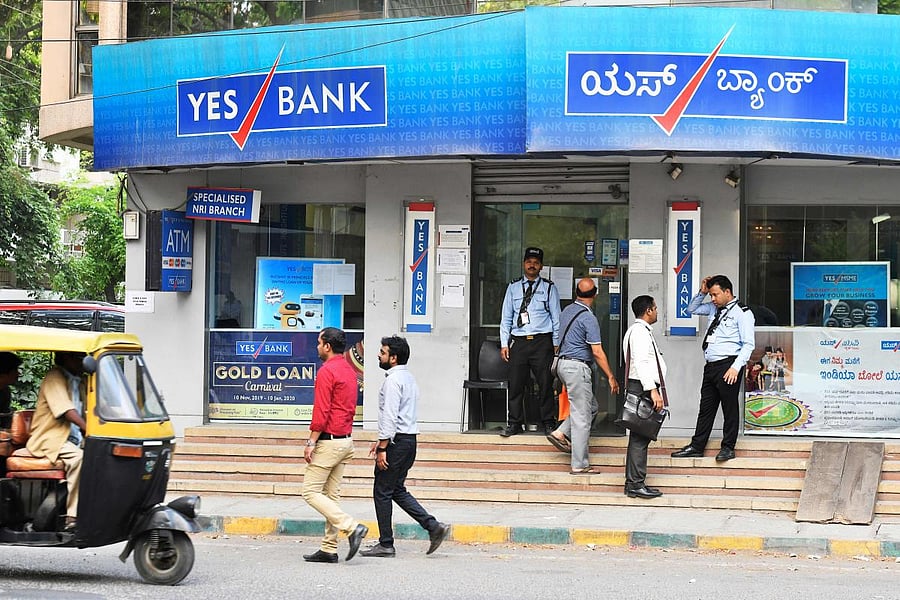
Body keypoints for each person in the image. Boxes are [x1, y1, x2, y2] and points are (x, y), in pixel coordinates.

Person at [359, 335, 451, 558]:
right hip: (408, 441)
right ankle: (433, 527)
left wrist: (383, 447)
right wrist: (381, 441)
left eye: (382, 352)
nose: (378, 355)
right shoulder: (408, 378)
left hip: (397, 442)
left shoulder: (393, 381)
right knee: (396, 489)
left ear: (393, 357)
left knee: (382, 491)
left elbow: (390, 416)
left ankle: (386, 544)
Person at [301, 327, 368, 563]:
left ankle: (352, 527)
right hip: (346, 441)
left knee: (309, 491)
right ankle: (329, 548)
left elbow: (321, 411)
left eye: (319, 343)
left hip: (329, 442)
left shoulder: (327, 371)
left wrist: (311, 442)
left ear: (327, 346)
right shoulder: (350, 370)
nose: (317, 347)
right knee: (331, 496)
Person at [672, 275, 755, 462]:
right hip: (711, 366)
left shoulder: (742, 313)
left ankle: (728, 447)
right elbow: (690, 308)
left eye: (715, 295)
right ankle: (697, 445)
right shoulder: (713, 308)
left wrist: (735, 368)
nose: (713, 299)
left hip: (728, 365)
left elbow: (748, 344)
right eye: (710, 295)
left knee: (729, 407)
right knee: (706, 407)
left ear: (727, 292)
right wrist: (701, 292)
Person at [546, 278, 619, 474]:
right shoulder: (589, 318)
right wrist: (611, 376)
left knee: (591, 407)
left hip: (562, 364)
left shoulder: (567, 311)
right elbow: (597, 351)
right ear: (595, 294)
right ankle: (579, 465)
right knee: (582, 416)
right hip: (576, 368)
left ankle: (560, 432)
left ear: (575, 292)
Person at [499, 247, 561, 437]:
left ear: (541, 266)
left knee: (545, 384)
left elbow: (556, 316)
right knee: (516, 384)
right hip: (518, 342)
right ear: (523, 264)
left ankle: (548, 422)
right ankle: (515, 423)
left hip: (542, 342)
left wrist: (556, 342)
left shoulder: (549, 288)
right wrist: (504, 343)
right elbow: (506, 317)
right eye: (529, 261)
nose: (532, 265)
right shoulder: (513, 287)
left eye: (536, 262)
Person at [26, 351, 87, 530]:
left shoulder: (79, 381)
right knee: (78, 459)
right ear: (67, 358)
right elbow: (66, 410)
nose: (82, 363)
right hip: (50, 438)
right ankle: (73, 516)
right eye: (79, 358)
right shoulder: (55, 377)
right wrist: (87, 428)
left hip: (72, 438)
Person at [622, 295, 666, 498]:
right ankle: (635, 484)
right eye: (655, 308)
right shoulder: (639, 332)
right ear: (648, 310)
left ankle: (634, 483)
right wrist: (653, 390)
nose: (657, 311)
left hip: (642, 387)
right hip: (642, 388)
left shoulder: (640, 331)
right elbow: (640, 363)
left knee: (640, 437)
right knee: (640, 437)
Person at [0, 352, 22, 429]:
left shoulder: (5, 391)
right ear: (3, 374)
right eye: (15, 370)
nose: (18, 374)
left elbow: (5, 419)